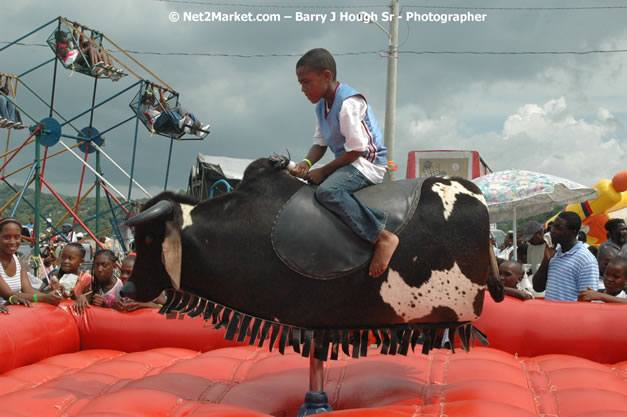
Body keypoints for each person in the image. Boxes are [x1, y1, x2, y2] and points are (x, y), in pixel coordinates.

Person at [291, 48, 398, 278]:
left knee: (328, 191)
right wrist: (307, 163)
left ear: (326, 76)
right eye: (300, 83)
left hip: (367, 163)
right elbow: (320, 144)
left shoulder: (347, 103)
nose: (302, 89)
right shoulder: (321, 105)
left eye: (307, 82)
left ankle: (383, 237)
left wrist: (324, 171)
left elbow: (357, 149)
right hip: (350, 162)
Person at [532, 211, 599, 301]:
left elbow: (588, 299)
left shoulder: (586, 260)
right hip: (549, 313)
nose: (552, 231)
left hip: (569, 314)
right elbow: (538, 287)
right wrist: (546, 259)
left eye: (558, 228)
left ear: (572, 233)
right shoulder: (554, 254)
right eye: (553, 226)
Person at [0, 218, 63, 307]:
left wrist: (50, 296)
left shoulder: (18, 261)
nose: (12, 242)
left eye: (17, 237)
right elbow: (8, 294)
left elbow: (28, 289)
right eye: (7, 237)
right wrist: (44, 298)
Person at [140, 85, 210, 138]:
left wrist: (160, 91)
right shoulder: (143, 108)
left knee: (181, 109)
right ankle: (186, 125)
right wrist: (149, 86)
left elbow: (159, 101)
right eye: (150, 100)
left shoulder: (152, 109)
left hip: (161, 120)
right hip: (156, 125)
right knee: (167, 112)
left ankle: (198, 129)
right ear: (146, 101)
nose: (152, 101)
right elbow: (156, 100)